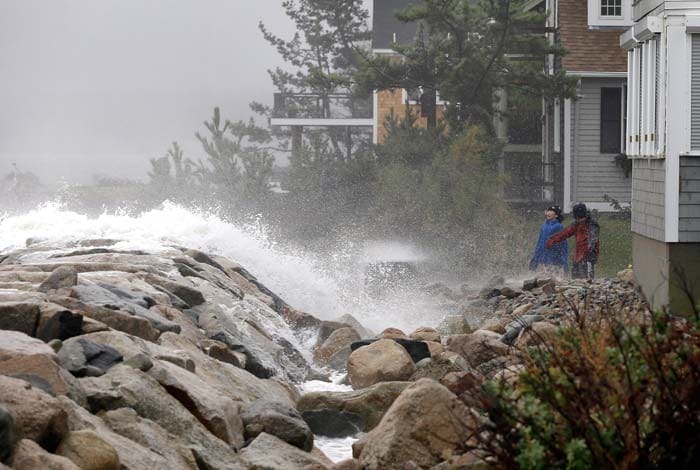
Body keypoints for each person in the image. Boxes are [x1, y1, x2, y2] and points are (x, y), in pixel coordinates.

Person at [546, 203, 600, 279]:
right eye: (577, 218)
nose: (579, 220)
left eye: (580, 218)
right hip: (578, 254)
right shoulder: (576, 224)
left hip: (589, 254)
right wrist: (552, 240)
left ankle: (588, 285)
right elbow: (565, 233)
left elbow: (593, 238)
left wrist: (589, 249)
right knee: (575, 273)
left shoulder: (592, 224)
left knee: (586, 275)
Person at [529, 206, 568, 277]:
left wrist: (564, 261)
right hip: (544, 261)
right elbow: (540, 243)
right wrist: (535, 258)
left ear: (556, 215)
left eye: (551, 211)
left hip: (555, 262)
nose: (548, 213)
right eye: (548, 211)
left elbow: (564, 245)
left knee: (556, 283)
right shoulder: (544, 226)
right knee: (544, 283)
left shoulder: (559, 226)